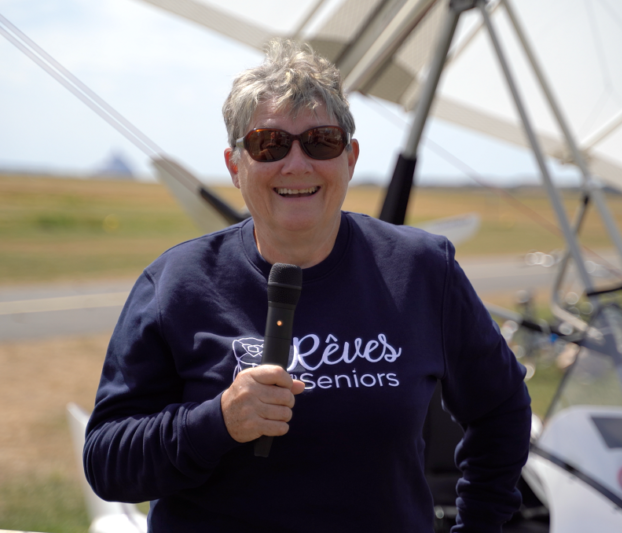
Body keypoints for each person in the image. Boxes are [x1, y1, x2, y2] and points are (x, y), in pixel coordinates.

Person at [84, 39, 531, 532]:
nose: (296, 164)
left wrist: (481, 525)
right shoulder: (177, 282)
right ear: (236, 165)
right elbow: (107, 461)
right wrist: (218, 421)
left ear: (350, 157)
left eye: (321, 141)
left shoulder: (424, 269)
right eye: (268, 144)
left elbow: (502, 408)